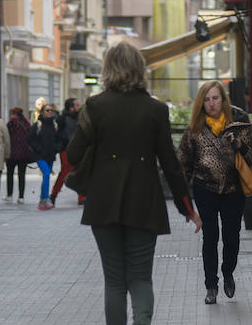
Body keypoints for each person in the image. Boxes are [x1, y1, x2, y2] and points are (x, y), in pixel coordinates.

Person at [66, 42, 200, 325]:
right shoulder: (155, 110)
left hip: (103, 203)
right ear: (140, 69)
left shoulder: (95, 106)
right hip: (144, 203)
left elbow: (74, 154)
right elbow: (171, 164)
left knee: (114, 281)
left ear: (108, 69)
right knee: (140, 277)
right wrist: (186, 207)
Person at [177, 79, 252, 304]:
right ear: (201, 103)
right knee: (210, 237)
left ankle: (227, 272)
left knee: (232, 237)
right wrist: (183, 198)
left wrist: (240, 146)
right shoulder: (195, 128)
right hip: (205, 188)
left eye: (215, 98)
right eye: (206, 100)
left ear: (223, 100)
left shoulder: (239, 122)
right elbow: (183, 163)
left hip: (234, 189)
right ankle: (211, 286)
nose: (211, 103)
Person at [29, 103, 62, 209]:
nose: (50, 112)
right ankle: (45, 199)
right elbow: (29, 138)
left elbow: (59, 139)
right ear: (42, 112)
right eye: (47, 110)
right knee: (46, 174)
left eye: (51, 110)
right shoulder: (37, 125)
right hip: (40, 155)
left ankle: (42, 200)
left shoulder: (55, 125)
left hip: (50, 155)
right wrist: (37, 148)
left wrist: (57, 148)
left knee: (46, 176)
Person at [51, 97, 83, 206]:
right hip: (66, 149)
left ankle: (81, 197)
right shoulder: (63, 119)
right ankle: (53, 195)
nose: (79, 107)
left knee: (80, 171)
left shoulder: (80, 117)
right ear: (71, 108)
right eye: (77, 105)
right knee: (65, 172)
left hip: (78, 148)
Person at [5, 107, 34, 204]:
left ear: (13, 113)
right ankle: (21, 196)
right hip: (23, 154)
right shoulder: (26, 123)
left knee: (10, 174)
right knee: (21, 175)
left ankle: (9, 195)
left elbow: (6, 136)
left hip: (12, 153)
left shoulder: (11, 123)